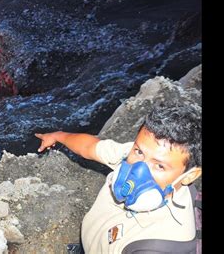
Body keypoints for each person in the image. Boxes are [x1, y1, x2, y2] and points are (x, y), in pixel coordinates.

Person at [35, 103, 202, 253]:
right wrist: (57, 136)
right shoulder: (135, 154)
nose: (139, 171)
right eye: (139, 151)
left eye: (159, 166)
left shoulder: (157, 245)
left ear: (190, 176)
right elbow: (89, 146)